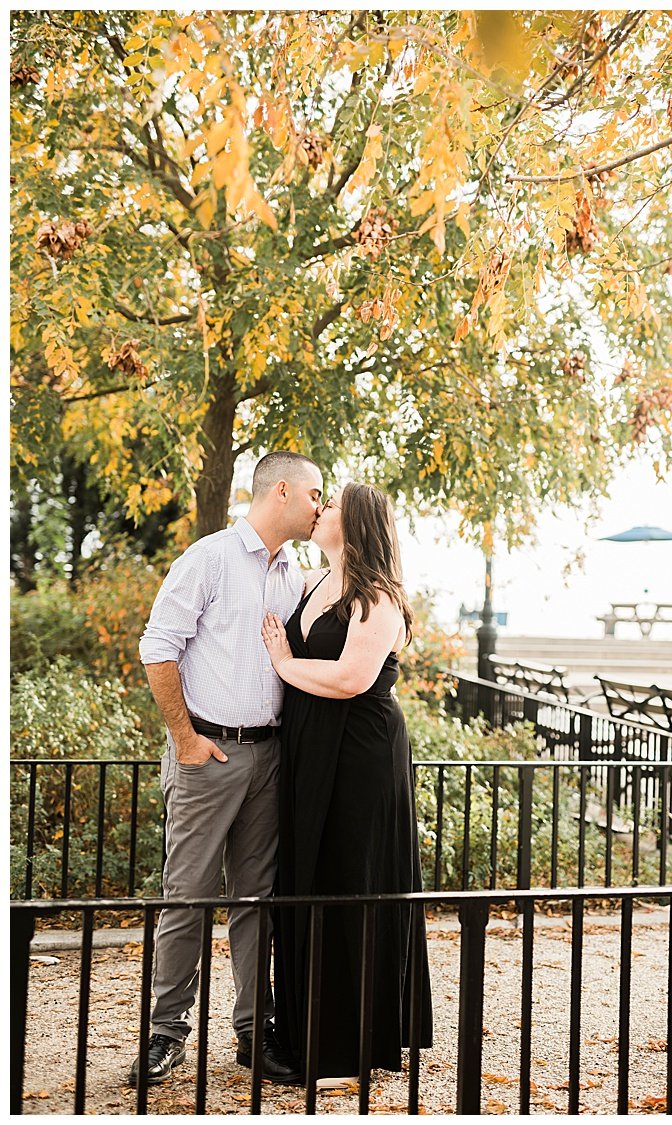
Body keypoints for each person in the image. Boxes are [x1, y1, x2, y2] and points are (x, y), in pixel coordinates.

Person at [133, 451, 323, 1087]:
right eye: (315, 493)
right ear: (283, 492)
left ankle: (252, 1033)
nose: (320, 505)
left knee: (257, 901)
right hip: (207, 753)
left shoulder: (293, 574)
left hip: (269, 757)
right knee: (186, 896)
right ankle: (165, 1033)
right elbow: (158, 648)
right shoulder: (210, 558)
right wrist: (184, 739)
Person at [260, 482, 433, 1083]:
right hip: (310, 743)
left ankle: (349, 1040)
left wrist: (284, 666)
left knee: (350, 874)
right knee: (307, 873)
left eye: (329, 504)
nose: (319, 510)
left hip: (359, 750)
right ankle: (303, 1028)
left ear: (354, 521)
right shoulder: (311, 581)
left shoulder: (377, 595)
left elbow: (351, 678)